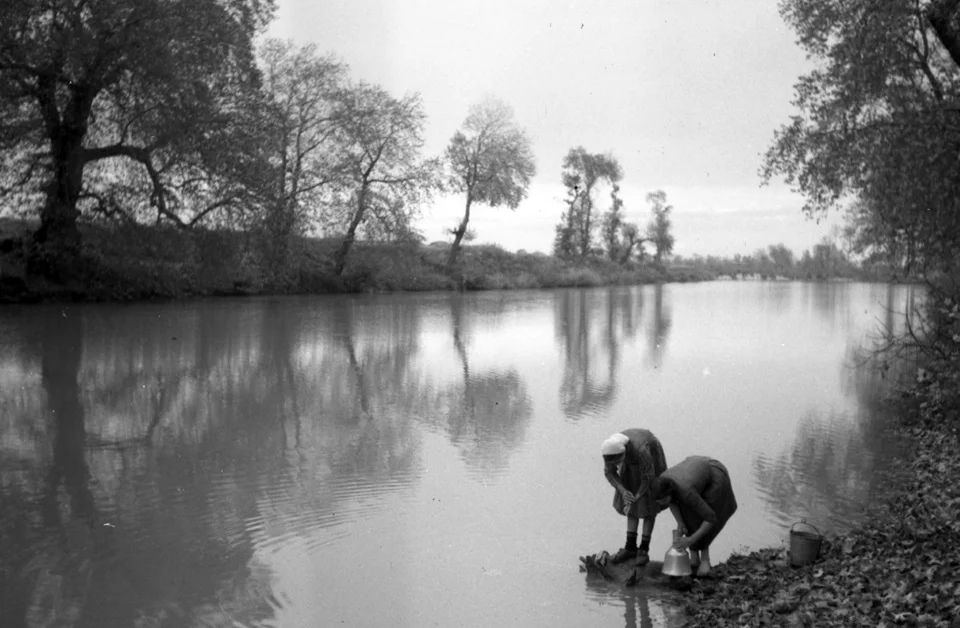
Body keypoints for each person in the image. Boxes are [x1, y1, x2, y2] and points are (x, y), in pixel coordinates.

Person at [650, 455, 737, 577]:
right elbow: (673, 502)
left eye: (662, 501)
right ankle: (694, 558)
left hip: (715, 476)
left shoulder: (686, 491)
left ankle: (705, 560)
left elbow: (710, 518)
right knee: (687, 515)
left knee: (701, 515)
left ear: (669, 493)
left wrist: (691, 539)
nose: (661, 505)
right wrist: (680, 522)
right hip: (695, 470)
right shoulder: (662, 483)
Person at [601, 429, 668, 565]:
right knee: (631, 505)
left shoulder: (641, 451)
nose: (616, 465)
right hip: (630, 464)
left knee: (649, 504)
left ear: (624, 452)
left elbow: (648, 477)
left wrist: (636, 497)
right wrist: (624, 491)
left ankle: (644, 549)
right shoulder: (609, 450)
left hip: (651, 460)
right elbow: (610, 473)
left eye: (618, 461)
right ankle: (630, 547)